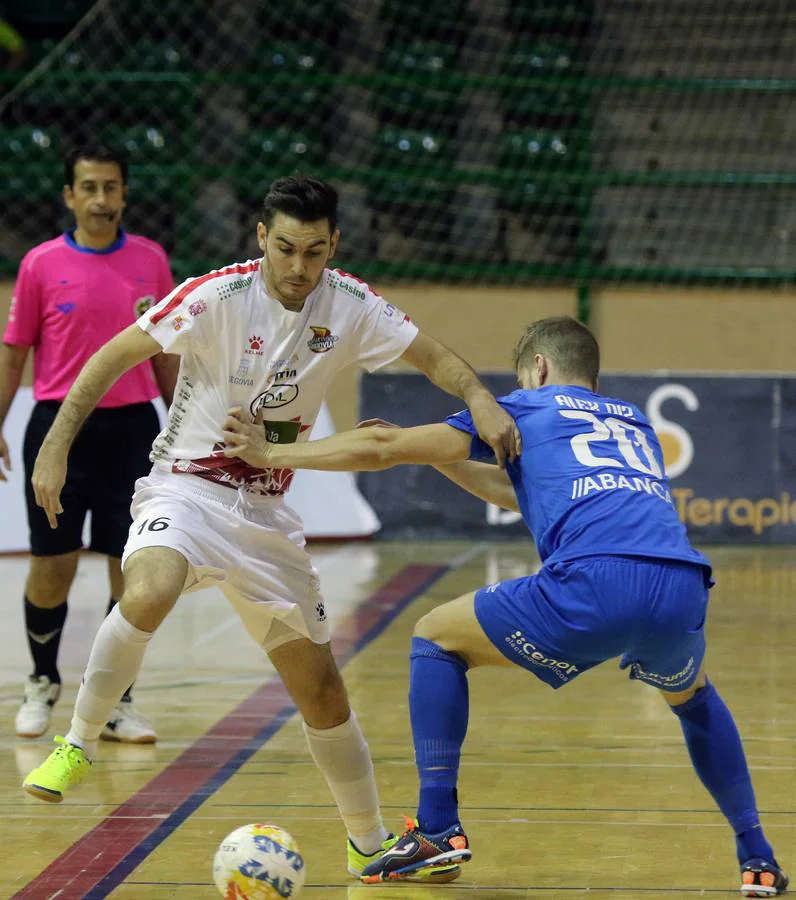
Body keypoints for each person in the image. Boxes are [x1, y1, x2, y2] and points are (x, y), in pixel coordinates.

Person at [22, 174, 519, 880]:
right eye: (284, 248)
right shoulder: (215, 294)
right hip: (186, 490)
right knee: (151, 589)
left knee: (319, 688)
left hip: (266, 517)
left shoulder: (350, 304)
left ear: (333, 246)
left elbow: (434, 356)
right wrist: (54, 442)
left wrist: (481, 398)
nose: (297, 267)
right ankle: (77, 740)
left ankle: (369, 842)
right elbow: (114, 356)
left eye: (313, 252)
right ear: (261, 238)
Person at [220, 316, 788, 897]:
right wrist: (440, 459)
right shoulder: (633, 421)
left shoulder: (526, 407)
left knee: (435, 637)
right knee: (692, 699)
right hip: (681, 582)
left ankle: (439, 828)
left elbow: (382, 447)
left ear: (536, 368)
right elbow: (512, 491)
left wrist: (272, 449)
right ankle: (758, 858)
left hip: (594, 581)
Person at [0, 144, 177, 744]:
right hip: (58, 429)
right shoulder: (39, 264)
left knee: (130, 570)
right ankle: (42, 681)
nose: (101, 199)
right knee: (52, 565)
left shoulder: (151, 261)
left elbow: (165, 356)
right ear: (70, 196)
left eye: (111, 187)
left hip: (134, 431)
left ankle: (116, 700)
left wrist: (184, 428)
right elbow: (15, 350)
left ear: (124, 194)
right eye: (89, 188)